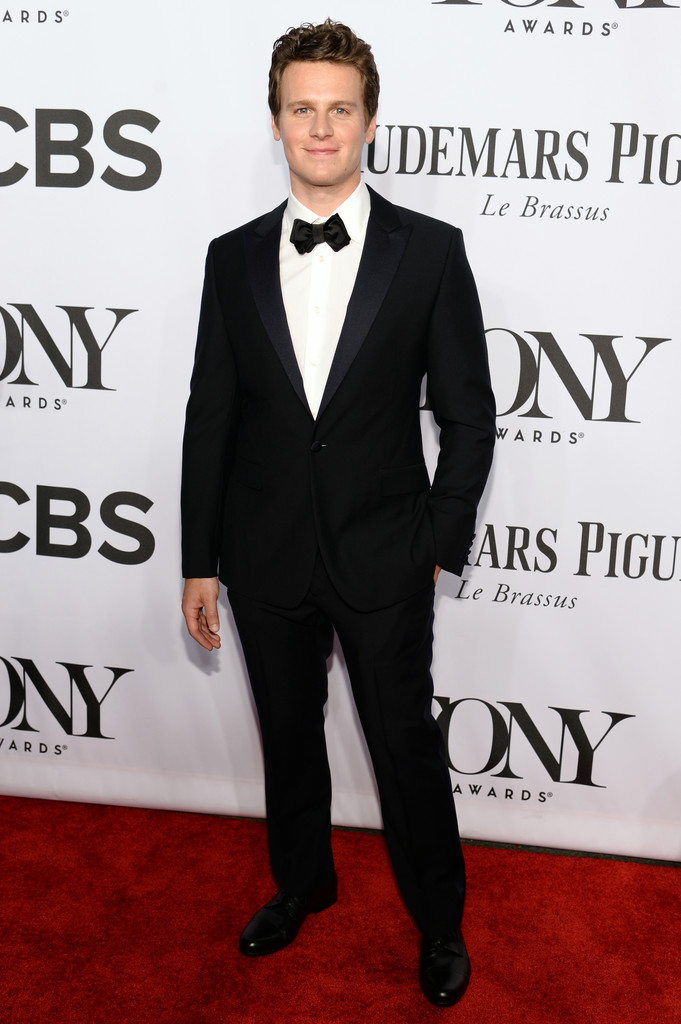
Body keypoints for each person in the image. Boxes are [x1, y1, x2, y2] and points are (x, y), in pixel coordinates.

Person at [181, 18, 495, 1008]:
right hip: (264, 552)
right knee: (287, 733)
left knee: (403, 746)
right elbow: (211, 414)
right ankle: (301, 884)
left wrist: (435, 543)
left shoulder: (431, 252)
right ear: (275, 122)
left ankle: (438, 920)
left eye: (340, 109)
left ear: (369, 120)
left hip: (384, 553)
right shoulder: (230, 259)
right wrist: (199, 559)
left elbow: (470, 415)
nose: (321, 127)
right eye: (302, 108)